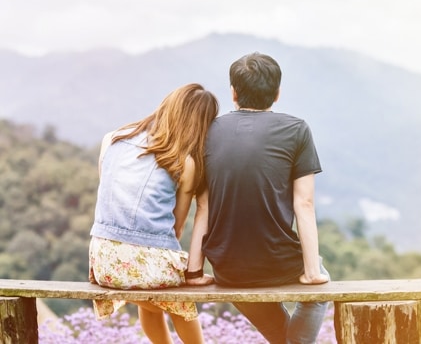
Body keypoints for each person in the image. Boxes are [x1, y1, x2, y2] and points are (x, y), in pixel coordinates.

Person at [190, 52, 330, 344]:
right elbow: (303, 204)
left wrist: (194, 271)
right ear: (277, 94)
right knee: (316, 297)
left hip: (227, 268)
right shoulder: (297, 130)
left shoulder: (207, 131)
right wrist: (312, 271)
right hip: (278, 263)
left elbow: (202, 206)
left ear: (233, 93)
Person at [89, 83, 218, 344]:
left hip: (102, 261)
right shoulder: (186, 161)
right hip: (151, 265)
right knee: (178, 302)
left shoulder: (113, 138)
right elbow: (177, 228)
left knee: (146, 290)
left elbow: (109, 195)